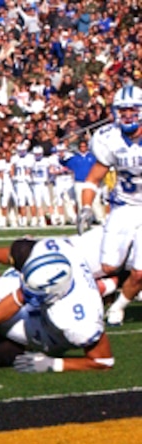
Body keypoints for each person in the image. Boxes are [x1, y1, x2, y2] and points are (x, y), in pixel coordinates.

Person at [0, 237, 113, 372]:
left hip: (49, 334)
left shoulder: (81, 322)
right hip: (50, 299)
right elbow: (19, 296)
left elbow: (103, 361)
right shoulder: (53, 250)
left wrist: (54, 364)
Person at [78, 85, 142, 327]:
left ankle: (118, 307)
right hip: (124, 207)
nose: (127, 115)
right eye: (122, 110)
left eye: (132, 110)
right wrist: (85, 207)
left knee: (140, 271)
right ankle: (119, 286)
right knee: (108, 266)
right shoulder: (108, 138)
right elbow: (93, 178)